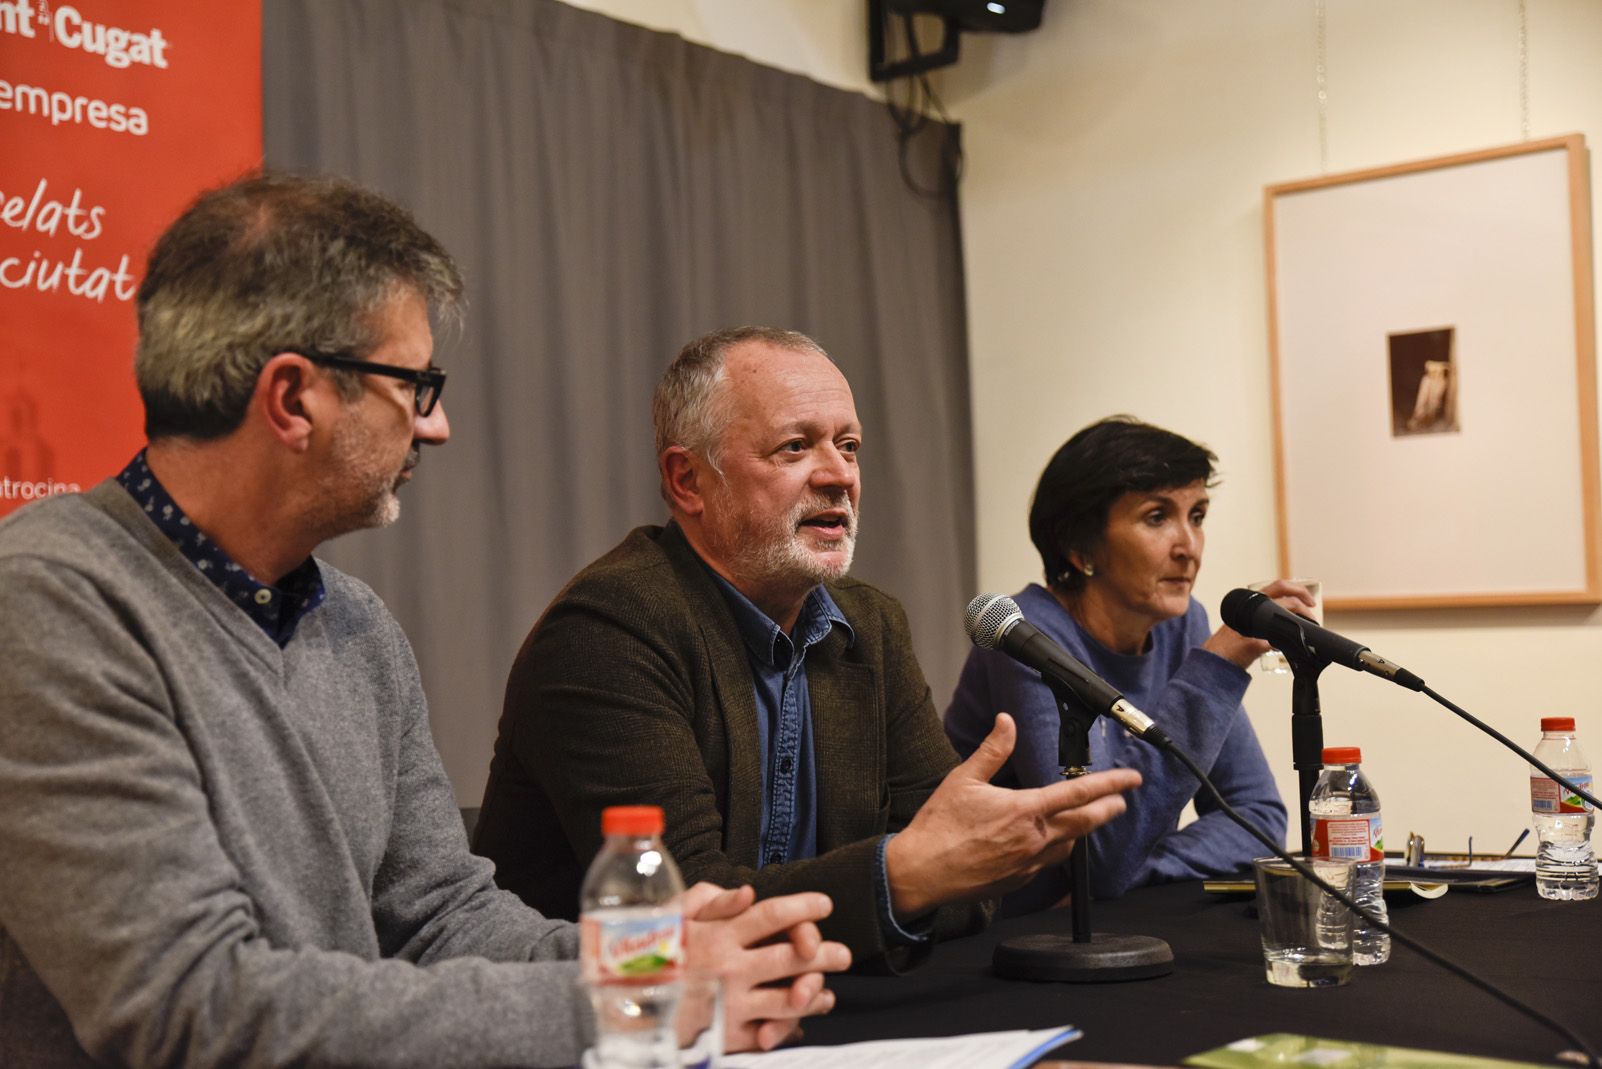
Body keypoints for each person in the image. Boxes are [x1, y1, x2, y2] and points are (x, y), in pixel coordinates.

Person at [0, 174, 849, 1069]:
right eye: (415, 384)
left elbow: (442, 917)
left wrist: (665, 959)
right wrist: (622, 1004)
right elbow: (191, 1007)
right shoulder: (52, 603)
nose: (434, 427)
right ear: (294, 399)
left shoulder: (358, 624)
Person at [472, 326, 1140, 970]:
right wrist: (898, 879)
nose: (838, 476)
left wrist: (926, 877)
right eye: (795, 448)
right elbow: (684, 909)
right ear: (688, 481)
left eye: (848, 446)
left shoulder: (871, 626)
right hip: (621, 1028)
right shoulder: (609, 629)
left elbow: (966, 887)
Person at [944, 416, 1298, 912]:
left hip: (1102, 917)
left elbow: (1258, 816)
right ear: (1081, 546)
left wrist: (1142, 868)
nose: (1188, 547)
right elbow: (1102, 853)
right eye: (1157, 517)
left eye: (1196, 516)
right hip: (998, 941)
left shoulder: (1181, 624)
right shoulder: (1025, 637)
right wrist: (1218, 664)